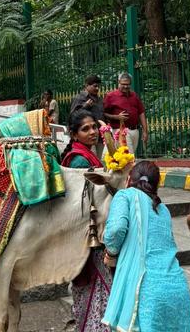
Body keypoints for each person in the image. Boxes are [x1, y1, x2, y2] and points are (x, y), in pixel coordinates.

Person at [101, 161, 190, 332]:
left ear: (129, 178)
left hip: (145, 290)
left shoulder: (125, 195)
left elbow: (115, 230)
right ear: (156, 185)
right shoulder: (163, 209)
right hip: (177, 287)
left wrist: (111, 252)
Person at [59, 110, 111, 332]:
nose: (93, 133)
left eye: (94, 128)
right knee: (95, 289)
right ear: (73, 134)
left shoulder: (87, 154)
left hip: (91, 232)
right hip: (88, 236)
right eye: (85, 129)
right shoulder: (79, 160)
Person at [103, 72, 148, 155]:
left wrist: (145, 131)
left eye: (128, 84)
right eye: (123, 84)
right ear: (118, 83)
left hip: (135, 130)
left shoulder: (134, 95)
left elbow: (141, 113)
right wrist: (117, 117)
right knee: (129, 156)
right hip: (120, 131)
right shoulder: (110, 96)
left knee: (128, 157)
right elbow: (104, 113)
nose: (125, 86)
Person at [70, 75, 105, 158]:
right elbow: (72, 116)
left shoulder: (99, 99)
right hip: (87, 136)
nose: (97, 88)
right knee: (90, 159)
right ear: (86, 85)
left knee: (99, 160)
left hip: (100, 136)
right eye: (95, 86)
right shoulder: (79, 98)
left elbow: (103, 114)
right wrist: (85, 106)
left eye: (98, 86)